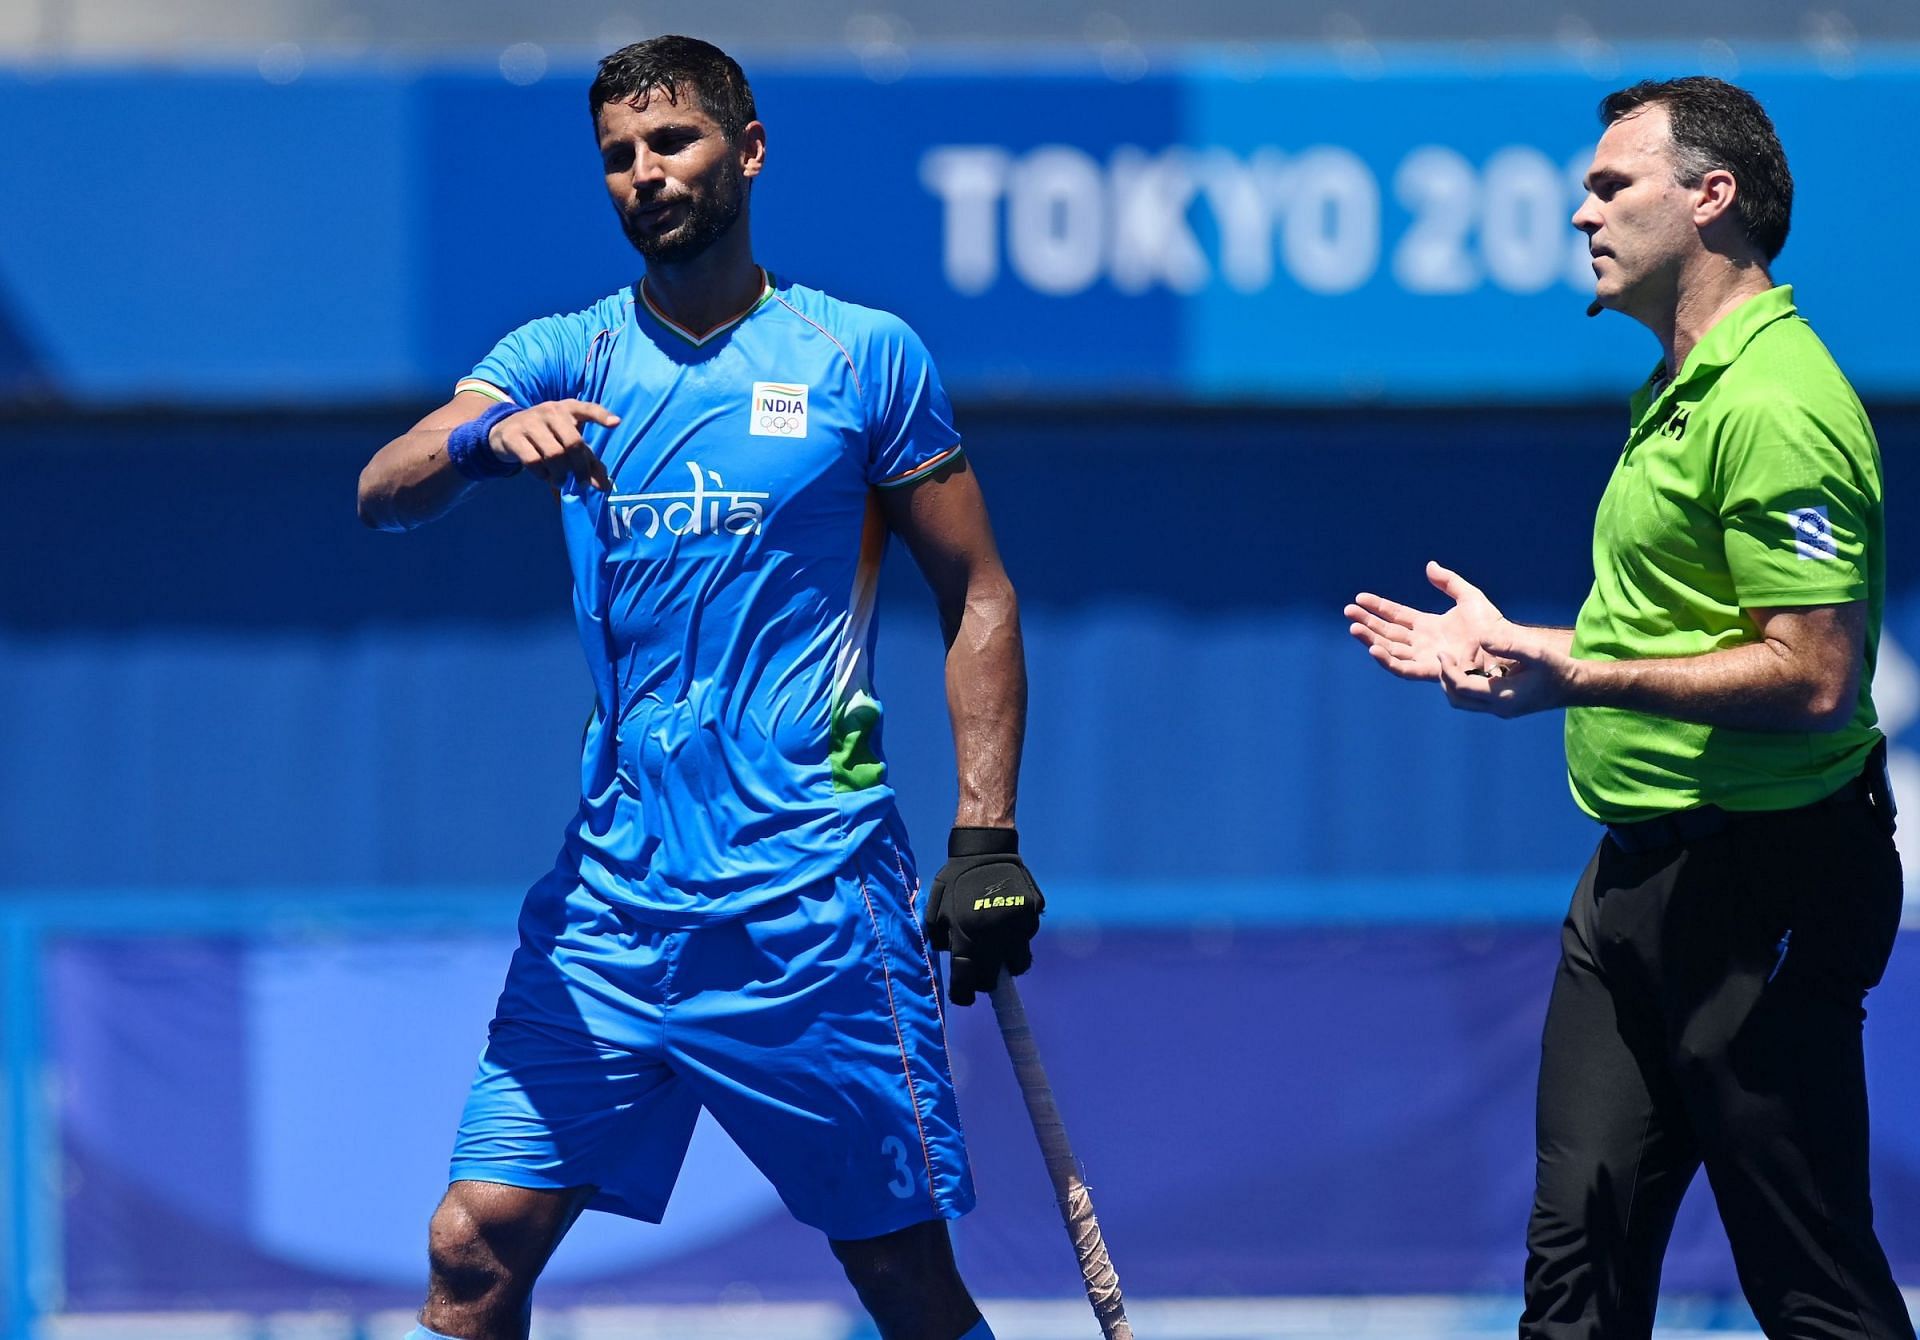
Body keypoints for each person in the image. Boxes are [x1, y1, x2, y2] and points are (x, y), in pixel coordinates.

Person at [358, 35, 1041, 1340]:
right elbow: (382, 489)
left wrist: (985, 835)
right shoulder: (564, 352)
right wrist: (479, 439)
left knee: (903, 1282)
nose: (645, 174)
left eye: (670, 143)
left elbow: (982, 596)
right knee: (469, 1254)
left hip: (812, 913)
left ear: (748, 148)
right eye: (618, 156)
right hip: (610, 913)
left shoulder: (861, 357)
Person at [1345, 77, 1912, 1339]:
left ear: (1712, 199)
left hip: (1768, 885)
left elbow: (1815, 676)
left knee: (1812, 1280)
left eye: (1612, 186)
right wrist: (1523, 653)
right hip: (1630, 890)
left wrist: (1569, 669)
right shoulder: (1681, 382)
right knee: (1575, 1266)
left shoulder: (1778, 404)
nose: (1578, 210)